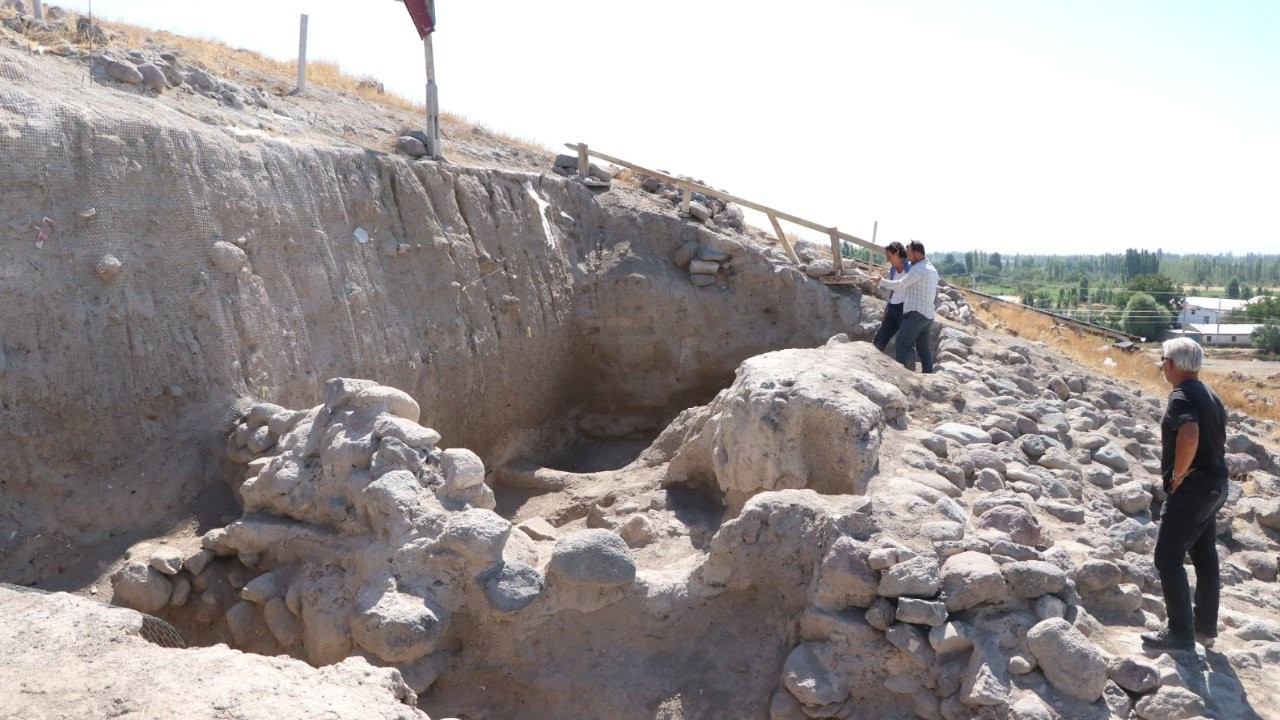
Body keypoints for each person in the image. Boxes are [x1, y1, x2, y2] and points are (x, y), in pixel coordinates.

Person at [1141, 337, 1229, 651]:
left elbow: (1189, 434)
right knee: (1205, 556)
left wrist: (1178, 475)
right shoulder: (1210, 394)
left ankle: (1180, 633)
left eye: (1163, 360)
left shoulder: (1180, 395)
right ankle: (1205, 624)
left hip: (1193, 488)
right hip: (1216, 484)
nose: (1161, 366)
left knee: (1167, 556)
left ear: (1172, 364)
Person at [870, 240, 938, 373]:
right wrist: (888, 307)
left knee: (902, 342)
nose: (908, 257)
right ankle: (928, 374)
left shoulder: (917, 268)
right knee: (923, 347)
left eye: (909, 254)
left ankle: (904, 375)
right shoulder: (931, 269)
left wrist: (882, 281)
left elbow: (901, 284)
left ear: (917, 253)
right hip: (925, 314)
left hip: (915, 313)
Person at [871, 242, 911, 354]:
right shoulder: (893, 270)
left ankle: (909, 368)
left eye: (889, 257)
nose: (888, 260)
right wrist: (887, 307)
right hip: (893, 307)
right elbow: (893, 289)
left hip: (905, 308)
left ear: (897, 253)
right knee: (880, 338)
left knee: (906, 341)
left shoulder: (910, 267)